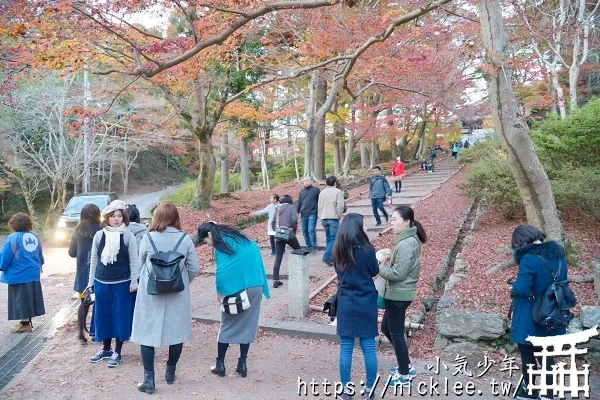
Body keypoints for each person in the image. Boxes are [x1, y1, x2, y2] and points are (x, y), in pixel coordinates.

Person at [132, 203, 200, 394]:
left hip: (151, 293)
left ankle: (149, 380)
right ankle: (170, 372)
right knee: (176, 333)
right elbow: (194, 267)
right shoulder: (185, 240)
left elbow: (140, 265)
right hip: (177, 293)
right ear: (176, 217)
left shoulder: (148, 238)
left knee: (147, 334)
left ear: (158, 217)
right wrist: (185, 281)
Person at [197, 222, 270, 379]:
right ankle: (242, 364)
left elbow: (222, 273)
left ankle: (220, 364)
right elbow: (254, 253)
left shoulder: (220, 244)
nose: (207, 244)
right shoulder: (240, 238)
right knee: (248, 324)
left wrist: (220, 293)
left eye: (205, 241)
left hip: (235, 290)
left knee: (227, 325)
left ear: (209, 235)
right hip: (255, 285)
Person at [510, 225, 566, 400]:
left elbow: (522, 288)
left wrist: (514, 286)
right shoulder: (558, 256)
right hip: (554, 313)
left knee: (528, 356)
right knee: (547, 358)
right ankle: (549, 394)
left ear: (521, 241)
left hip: (530, 316)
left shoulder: (528, 258)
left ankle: (531, 392)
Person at [378, 206, 427, 388]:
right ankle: (405, 364)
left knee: (396, 334)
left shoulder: (407, 243)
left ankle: (405, 375)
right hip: (396, 293)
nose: (392, 223)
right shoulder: (404, 240)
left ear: (407, 222)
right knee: (386, 327)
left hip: (399, 294)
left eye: (395, 219)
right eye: (391, 219)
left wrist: (377, 267)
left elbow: (398, 273)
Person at [332, 214, 379, 400]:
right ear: (358, 228)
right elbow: (374, 271)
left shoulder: (338, 250)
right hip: (366, 301)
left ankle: (346, 391)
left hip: (345, 302)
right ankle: (369, 389)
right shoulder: (367, 250)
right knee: (368, 347)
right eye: (363, 225)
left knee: (345, 348)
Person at [87, 200, 139, 368]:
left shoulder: (128, 235)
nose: (116, 219)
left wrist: (134, 281)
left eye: (119, 216)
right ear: (107, 218)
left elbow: (134, 260)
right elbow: (94, 260)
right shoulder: (99, 235)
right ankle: (106, 348)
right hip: (101, 281)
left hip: (122, 283)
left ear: (124, 218)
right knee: (103, 315)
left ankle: (118, 351)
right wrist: (90, 282)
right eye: (113, 216)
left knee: (120, 316)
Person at [0, 213, 45, 333]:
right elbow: (39, 253)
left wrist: (2, 266)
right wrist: (40, 264)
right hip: (33, 272)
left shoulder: (13, 238)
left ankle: (25, 324)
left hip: (18, 273)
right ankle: (26, 321)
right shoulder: (34, 236)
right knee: (29, 297)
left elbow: (6, 255)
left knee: (20, 299)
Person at [68, 204, 101, 343]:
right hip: (100, 272)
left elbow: (71, 252)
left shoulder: (76, 231)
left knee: (83, 303)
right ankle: (96, 332)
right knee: (100, 303)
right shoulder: (102, 230)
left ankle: (81, 333)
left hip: (83, 274)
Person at [271, 195, 300, 288]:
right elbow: (294, 220)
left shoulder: (278, 208)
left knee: (278, 258)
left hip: (279, 235)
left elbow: (272, 223)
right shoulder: (292, 207)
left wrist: (277, 231)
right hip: (289, 234)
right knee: (298, 250)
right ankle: (298, 275)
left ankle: (275, 280)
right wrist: (293, 229)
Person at [317, 176, 344, 267]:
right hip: (333, 217)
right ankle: (327, 256)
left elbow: (319, 206)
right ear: (335, 183)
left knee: (329, 238)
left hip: (324, 217)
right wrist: (339, 216)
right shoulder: (338, 191)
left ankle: (332, 257)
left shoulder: (322, 192)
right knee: (334, 238)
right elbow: (340, 206)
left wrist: (320, 217)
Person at [296, 177, 320, 253]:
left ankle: (314, 246)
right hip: (303, 214)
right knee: (304, 231)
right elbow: (299, 202)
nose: (306, 182)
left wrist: (318, 210)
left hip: (313, 212)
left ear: (311, 181)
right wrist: (297, 212)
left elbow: (320, 201)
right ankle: (309, 246)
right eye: (304, 181)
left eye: (307, 180)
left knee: (311, 230)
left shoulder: (316, 190)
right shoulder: (301, 192)